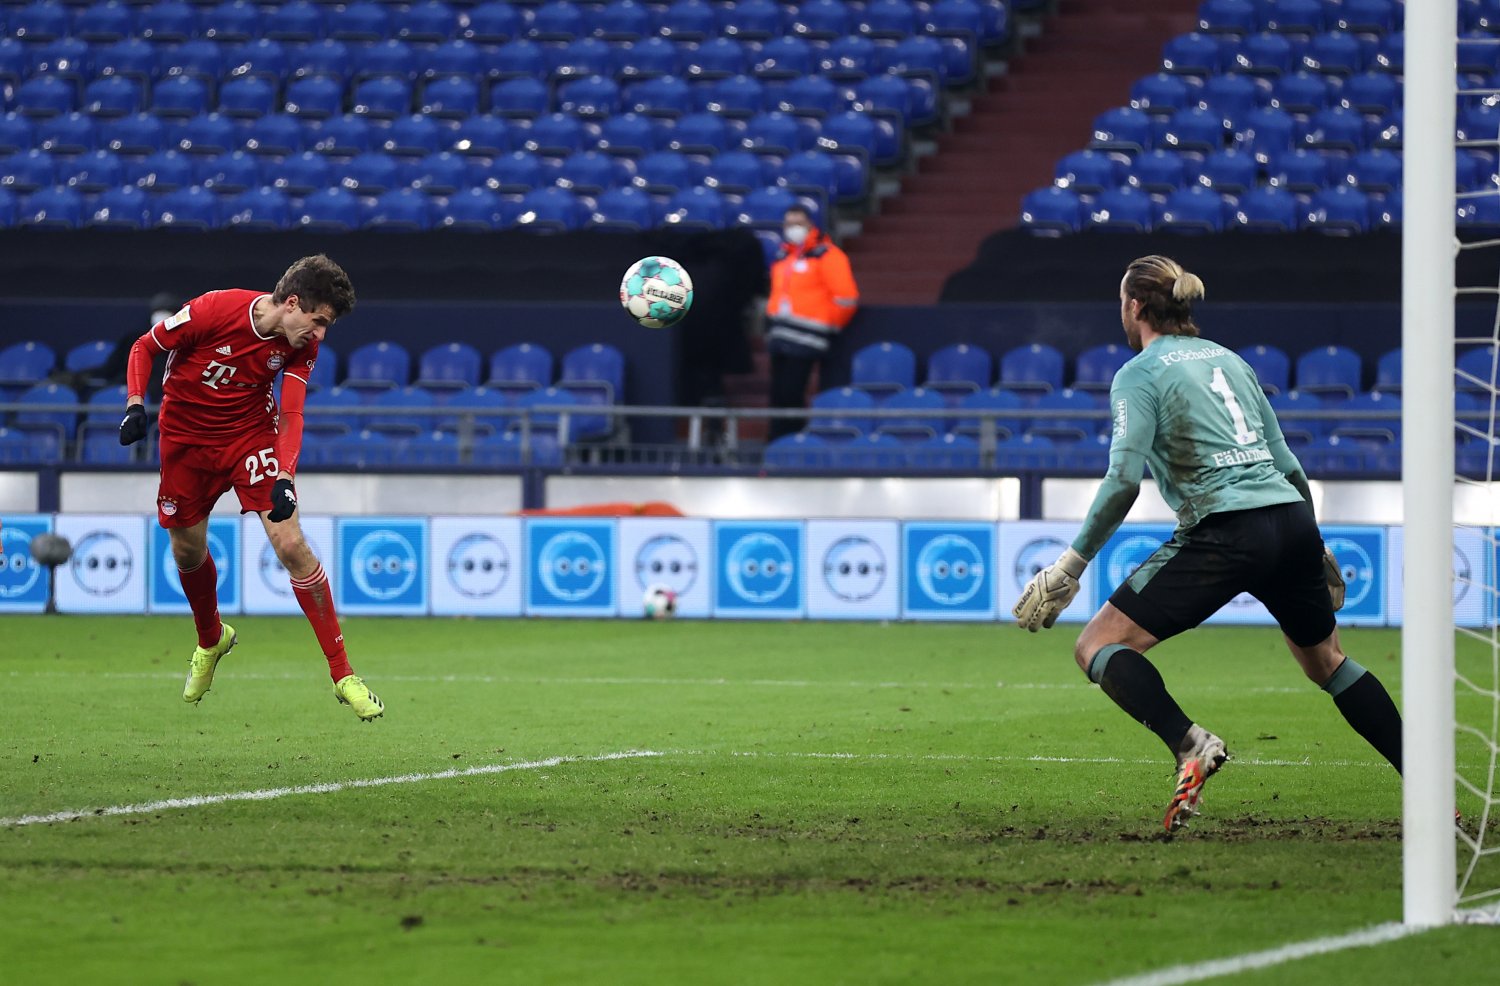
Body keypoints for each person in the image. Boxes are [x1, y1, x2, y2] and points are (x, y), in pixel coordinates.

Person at [1012, 255, 1401, 831]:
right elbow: (1288, 463)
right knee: (1327, 663)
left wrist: (1071, 566)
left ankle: (1190, 744)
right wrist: (1312, 544)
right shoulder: (1230, 359)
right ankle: (1431, 784)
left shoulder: (1139, 374)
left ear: (1136, 306)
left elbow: (1123, 479)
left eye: (1123, 302)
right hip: (1290, 519)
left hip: (1225, 528)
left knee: (1096, 646)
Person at [118, 255, 384, 721]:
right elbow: (144, 347)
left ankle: (344, 675)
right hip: (185, 441)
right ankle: (211, 638)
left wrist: (285, 476)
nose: (320, 334)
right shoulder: (213, 310)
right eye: (318, 321)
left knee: (292, 544)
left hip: (248, 438)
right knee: (186, 552)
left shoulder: (302, 345)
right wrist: (136, 404)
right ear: (294, 303)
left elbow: (293, 412)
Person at [765, 205, 859, 443]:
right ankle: (777, 444)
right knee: (778, 394)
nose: (792, 228)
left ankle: (791, 443)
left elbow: (846, 298)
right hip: (781, 336)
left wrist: (828, 325)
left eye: (798, 222)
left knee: (791, 393)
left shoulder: (828, 255)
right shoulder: (782, 256)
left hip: (808, 337)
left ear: (811, 225)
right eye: (788, 223)